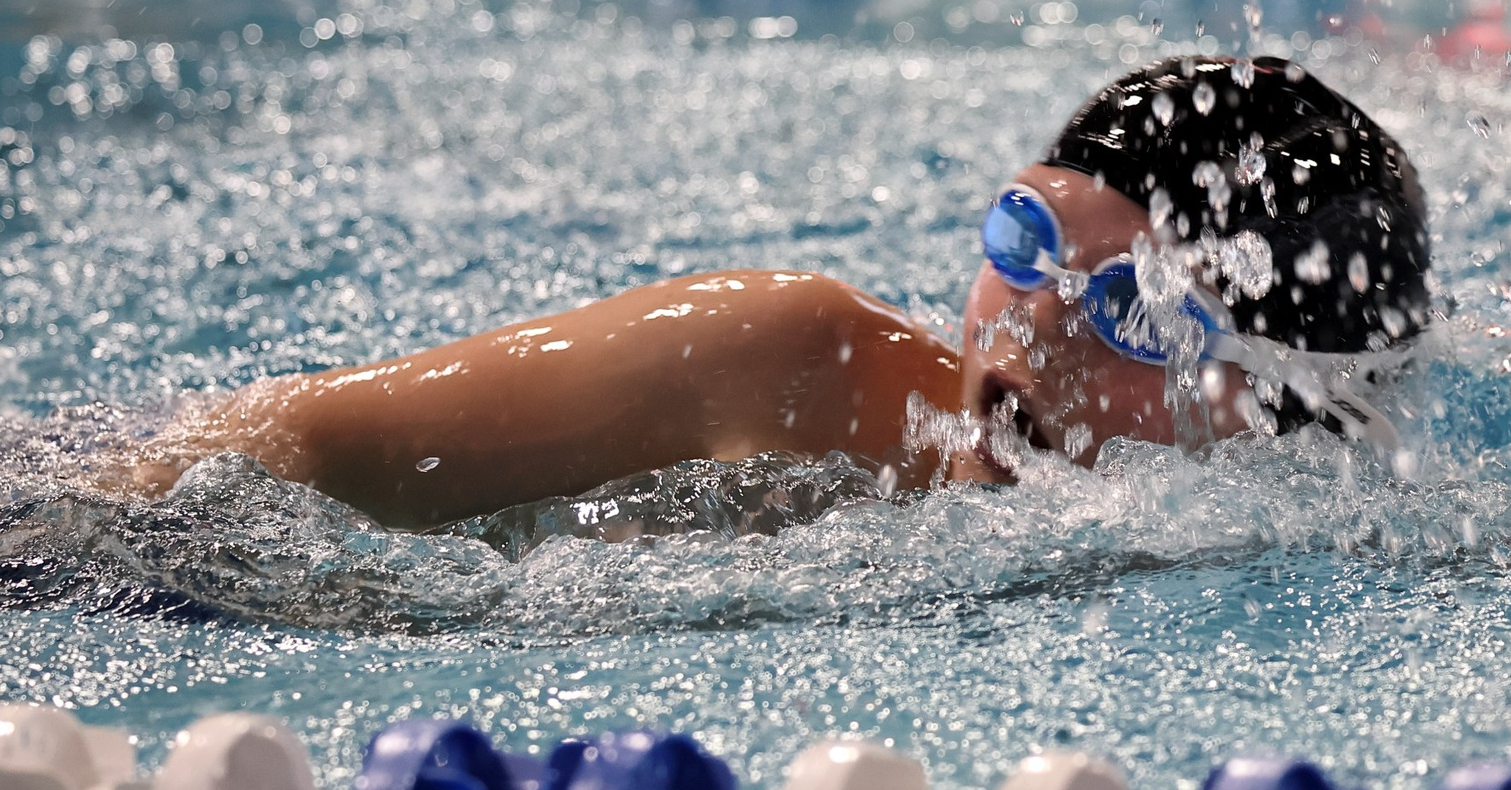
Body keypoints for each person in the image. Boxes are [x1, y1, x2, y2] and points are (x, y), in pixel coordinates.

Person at [121, 56, 1429, 528]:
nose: (1031, 324)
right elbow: (266, 451)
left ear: (1281, 399)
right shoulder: (781, 362)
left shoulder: (1300, 538)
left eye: (1133, 311)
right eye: (1022, 240)